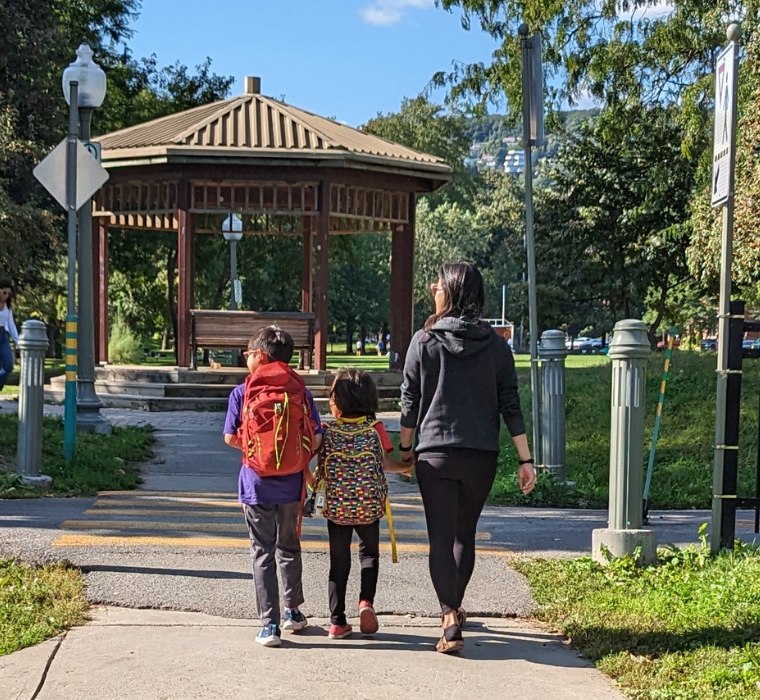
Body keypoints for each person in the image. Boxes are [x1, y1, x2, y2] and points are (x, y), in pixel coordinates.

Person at [399, 261, 536, 654]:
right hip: (481, 455)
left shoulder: (424, 341)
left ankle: (447, 616)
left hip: (435, 454)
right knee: (464, 535)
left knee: (440, 538)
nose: (432, 290)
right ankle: (455, 610)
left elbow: (409, 401)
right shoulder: (496, 346)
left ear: (452, 293)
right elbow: (511, 405)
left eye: (437, 285)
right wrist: (526, 460)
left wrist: (406, 450)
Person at [223, 326, 324, 648]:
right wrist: (293, 456)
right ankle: (293, 612)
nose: (247, 359)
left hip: (255, 485)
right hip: (293, 485)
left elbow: (229, 437)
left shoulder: (242, 392)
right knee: (289, 547)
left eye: (249, 353)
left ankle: (269, 625)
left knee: (261, 551)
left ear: (261, 356)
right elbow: (317, 436)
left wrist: (258, 450)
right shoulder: (299, 390)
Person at [314, 368, 408, 639]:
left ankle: (337, 621)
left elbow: (311, 454)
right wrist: (406, 467)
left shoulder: (327, 430)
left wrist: (311, 481)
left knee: (338, 562)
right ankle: (366, 603)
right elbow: (387, 463)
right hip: (369, 506)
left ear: (337, 401)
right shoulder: (376, 429)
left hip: (336, 507)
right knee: (368, 555)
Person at [0, 280, 19, 391]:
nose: (6, 296)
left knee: (8, 366)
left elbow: (11, 324)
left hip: (3, 335)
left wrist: (17, 341)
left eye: (8, 294)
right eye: (4, 293)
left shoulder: (8, 307)